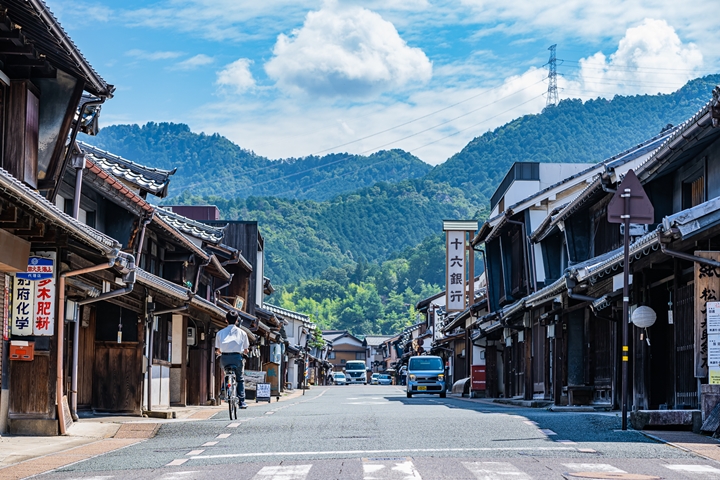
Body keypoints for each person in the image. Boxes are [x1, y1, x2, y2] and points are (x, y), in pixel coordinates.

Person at [215, 311, 250, 409]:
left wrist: (219, 352)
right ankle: (242, 401)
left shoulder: (219, 333)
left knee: (226, 372)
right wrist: (245, 352)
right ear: (237, 321)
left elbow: (218, 349)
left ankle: (225, 389)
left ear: (226, 320)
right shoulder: (242, 333)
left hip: (225, 358)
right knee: (239, 378)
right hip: (237, 358)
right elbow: (246, 349)